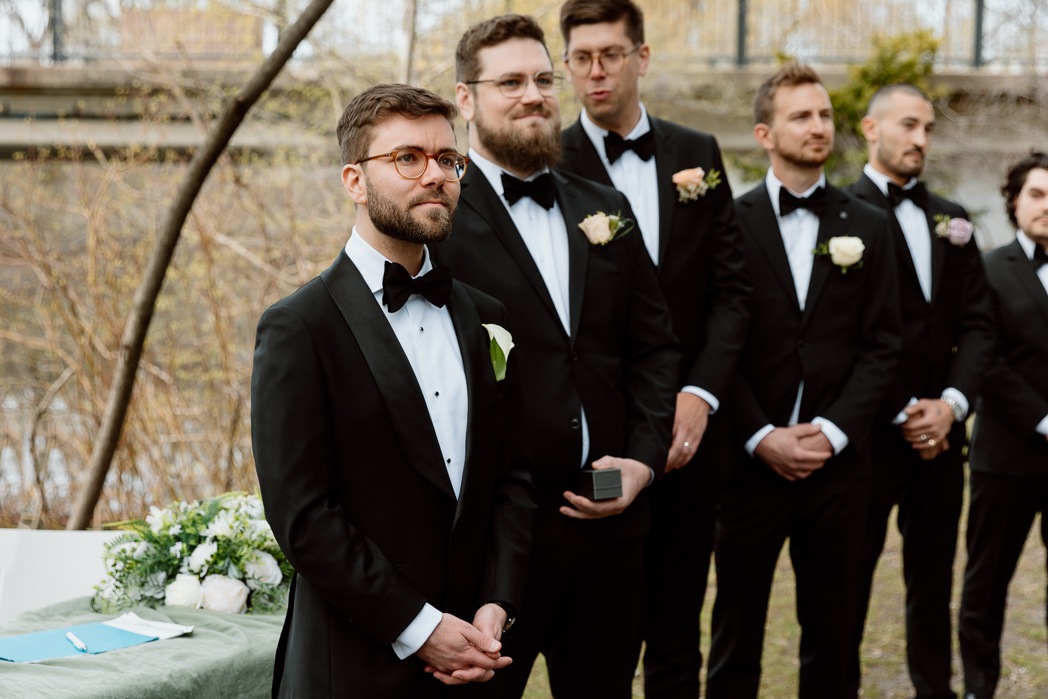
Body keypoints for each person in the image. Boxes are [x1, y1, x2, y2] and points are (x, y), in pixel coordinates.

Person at [250, 83, 534, 697]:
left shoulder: (485, 315)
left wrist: (498, 602)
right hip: (352, 667)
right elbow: (303, 518)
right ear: (355, 180)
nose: (435, 175)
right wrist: (420, 627)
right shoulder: (299, 327)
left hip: (477, 660)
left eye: (447, 159)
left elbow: (511, 478)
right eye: (407, 158)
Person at [434, 14, 679, 699]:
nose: (534, 95)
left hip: (609, 519)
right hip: (492, 541)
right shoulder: (438, 217)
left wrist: (642, 461)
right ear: (465, 98)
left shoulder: (605, 207)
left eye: (543, 79)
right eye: (509, 81)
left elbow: (654, 348)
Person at [554, 1, 750, 696]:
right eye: (581, 57)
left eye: (610, 53)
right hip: (603, 446)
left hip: (691, 443)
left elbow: (732, 292)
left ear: (641, 57)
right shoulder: (548, 162)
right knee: (601, 633)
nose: (596, 71)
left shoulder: (697, 154)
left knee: (677, 628)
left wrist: (700, 395)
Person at [706, 63, 901, 699]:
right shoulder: (726, 223)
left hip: (840, 471)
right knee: (735, 635)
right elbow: (716, 345)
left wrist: (835, 431)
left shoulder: (869, 226)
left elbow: (883, 344)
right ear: (765, 132)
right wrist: (759, 433)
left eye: (824, 115)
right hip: (748, 464)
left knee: (835, 634)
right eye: (801, 116)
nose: (819, 127)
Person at [844, 83, 994, 699]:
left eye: (928, 128)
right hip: (867, 438)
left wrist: (950, 407)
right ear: (871, 129)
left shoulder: (952, 217)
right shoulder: (839, 212)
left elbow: (979, 323)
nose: (921, 139)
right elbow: (839, 335)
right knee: (846, 583)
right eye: (909, 125)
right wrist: (904, 409)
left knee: (932, 583)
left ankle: (935, 689)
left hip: (942, 438)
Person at [958, 150, 1048, 699]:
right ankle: (977, 687)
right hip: (1006, 456)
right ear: (1014, 202)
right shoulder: (988, 271)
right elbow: (984, 359)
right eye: (1037, 194)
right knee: (986, 583)